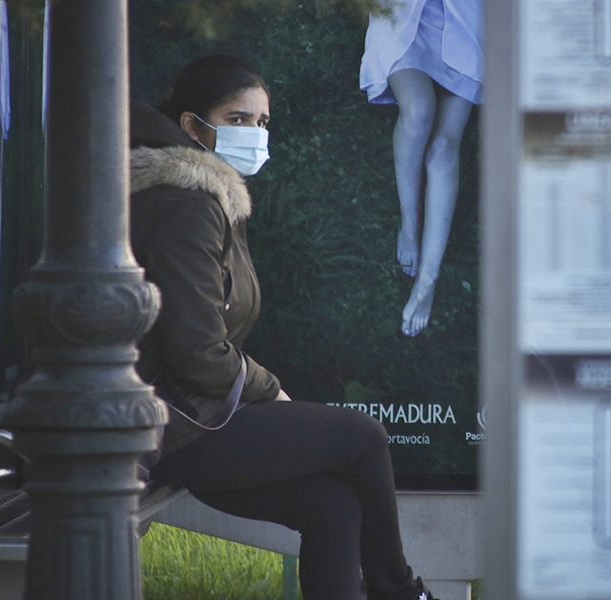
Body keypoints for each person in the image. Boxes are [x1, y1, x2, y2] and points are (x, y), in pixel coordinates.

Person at [129, 55, 436, 600]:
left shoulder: (207, 198)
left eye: (262, 122)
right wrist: (268, 390)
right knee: (362, 437)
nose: (255, 133)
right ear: (192, 126)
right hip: (174, 429)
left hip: (194, 420)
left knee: (333, 507)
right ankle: (400, 591)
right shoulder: (185, 205)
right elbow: (196, 349)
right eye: (238, 118)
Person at [360, 0, 483, 336]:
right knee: (418, 111)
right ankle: (410, 222)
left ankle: (428, 279)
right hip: (405, 13)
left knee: (444, 148)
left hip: (470, 17)